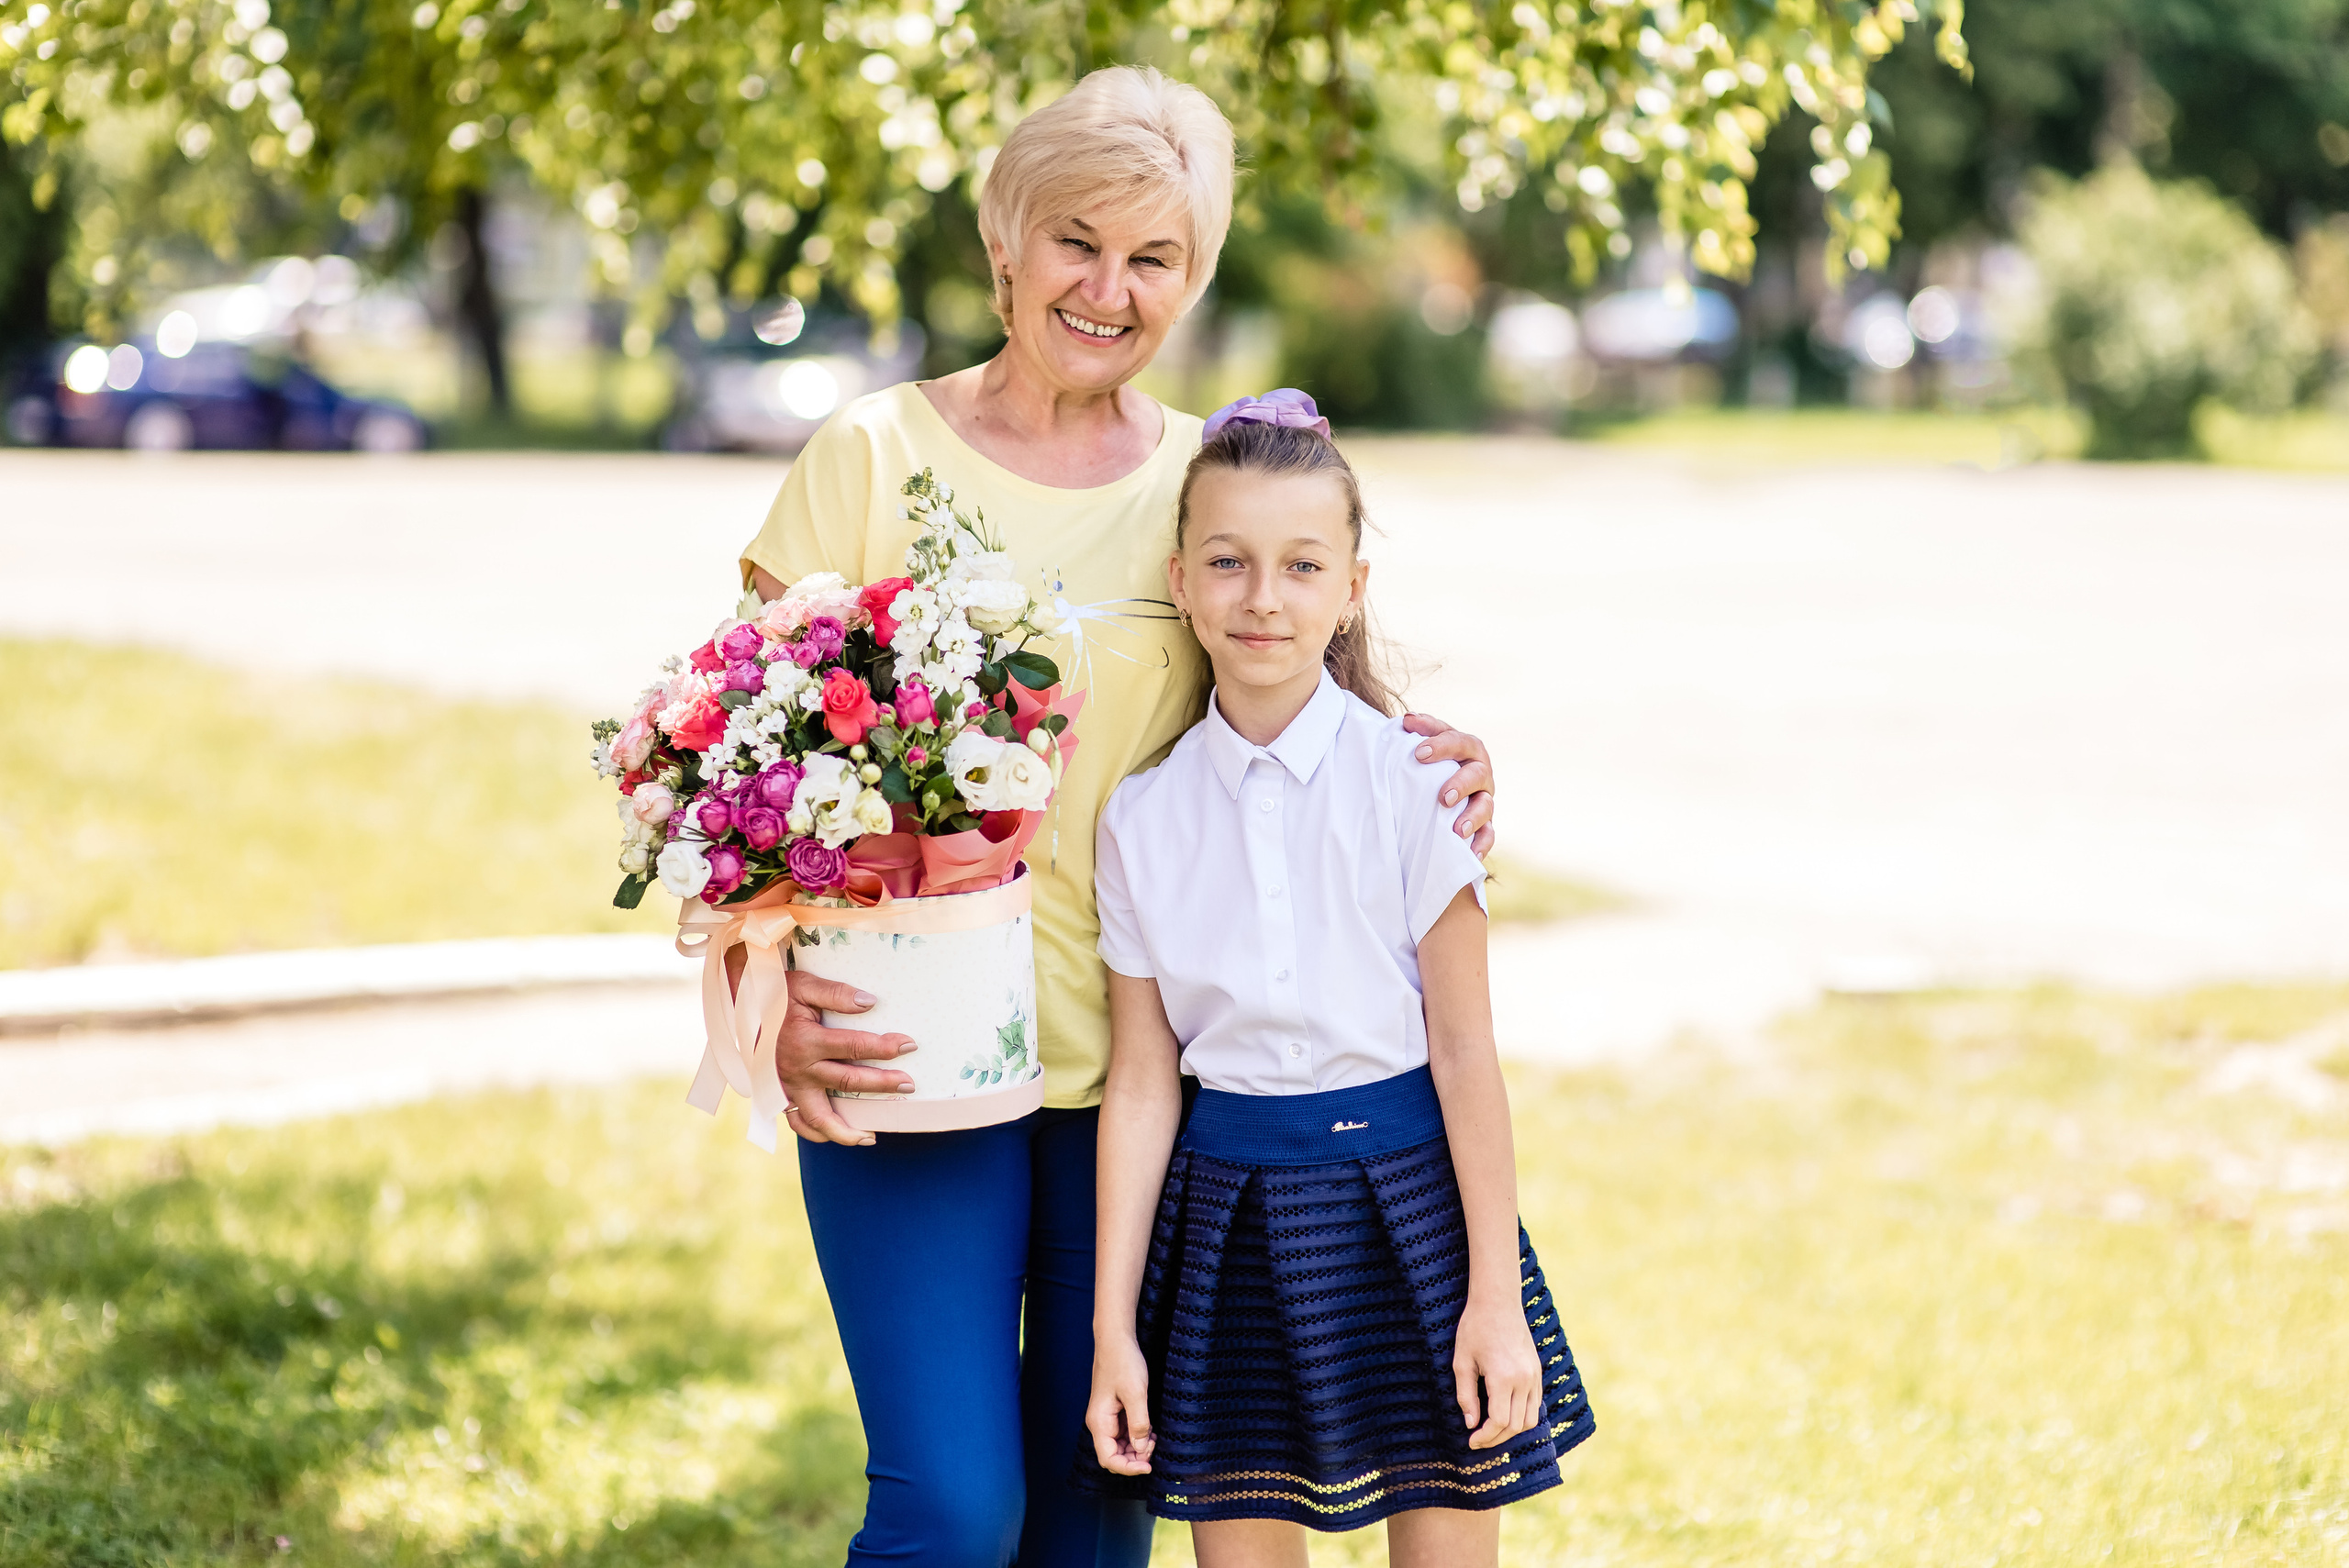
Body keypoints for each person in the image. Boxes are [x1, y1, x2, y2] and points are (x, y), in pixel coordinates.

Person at [735, 68, 1502, 1568]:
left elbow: (1315, 686)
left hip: (1148, 1084)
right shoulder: (870, 458)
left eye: (1155, 257)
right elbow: (737, 769)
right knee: (953, 1507)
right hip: (913, 1057)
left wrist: (1456, 764)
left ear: (1195, 276)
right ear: (1003, 243)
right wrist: (759, 997)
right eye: (1076, 240)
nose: (1108, 287)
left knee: (1097, 1512)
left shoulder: (1200, 480)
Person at [1074, 396, 1594, 1568]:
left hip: (1416, 1214)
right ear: (1182, 579)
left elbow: (1465, 1054)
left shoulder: (1416, 784)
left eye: (1302, 565)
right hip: (1229, 1222)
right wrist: (1114, 1328)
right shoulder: (1140, 819)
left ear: (1350, 586)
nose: (1264, 596)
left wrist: (1494, 1296)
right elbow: (1144, 1082)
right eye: (1229, 562)